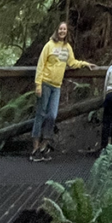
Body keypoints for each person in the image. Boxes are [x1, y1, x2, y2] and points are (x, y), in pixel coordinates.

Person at [31, 21, 96, 161]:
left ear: (67, 32)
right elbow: (40, 64)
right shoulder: (49, 46)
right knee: (40, 114)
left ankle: (44, 145)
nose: (62, 31)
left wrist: (85, 64)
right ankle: (35, 148)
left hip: (56, 86)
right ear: (57, 30)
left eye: (64, 29)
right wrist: (38, 84)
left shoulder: (67, 48)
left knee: (52, 115)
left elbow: (72, 63)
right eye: (60, 29)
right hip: (45, 83)